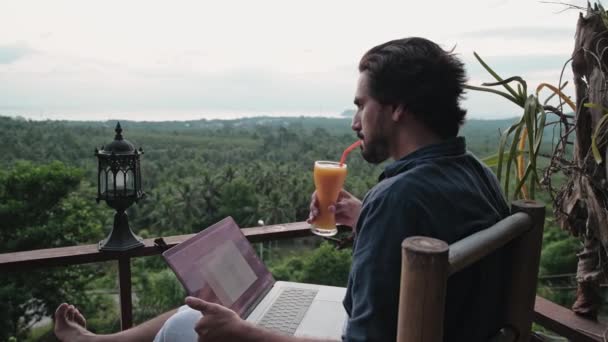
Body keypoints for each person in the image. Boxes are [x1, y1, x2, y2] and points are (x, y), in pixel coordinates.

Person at [54, 37, 510, 342]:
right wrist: (364, 214)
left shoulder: (400, 199)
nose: (355, 121)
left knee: (194, 322)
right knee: (216, 308)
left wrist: (245, 335)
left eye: (361, 105)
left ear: (397, 108)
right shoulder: (474, 174)